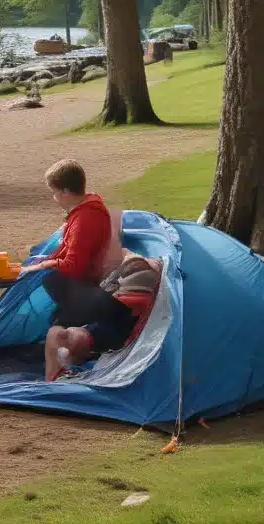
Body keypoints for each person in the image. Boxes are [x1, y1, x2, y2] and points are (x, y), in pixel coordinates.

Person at [19, 159, 118, 327]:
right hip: (85, 289)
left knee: (51, 280)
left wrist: (46, 265)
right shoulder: (86, 211)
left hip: (85, 291)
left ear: (65, 191)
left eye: (54, 192)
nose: (55, 198)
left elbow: (74, 266)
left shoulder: (84, 219)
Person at [43, 253, 162, 381]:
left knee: (59, 332)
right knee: (61, 333)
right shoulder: (124, 305)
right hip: (108, 323)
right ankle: (57, 375)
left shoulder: (116, 312)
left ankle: (54, 378)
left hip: (106, 328)